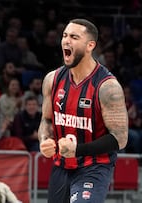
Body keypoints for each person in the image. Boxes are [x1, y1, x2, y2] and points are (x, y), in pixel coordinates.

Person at [38, 18, 128, 203]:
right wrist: (45, 140)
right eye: (64, 35)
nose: (66, 40)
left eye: (74, 37)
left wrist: (78, 149)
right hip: (62, 166)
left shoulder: (107, 87)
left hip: (94, 167)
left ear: (90, 45)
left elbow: (120, 138)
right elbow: (46, 120)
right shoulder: (52, 79)